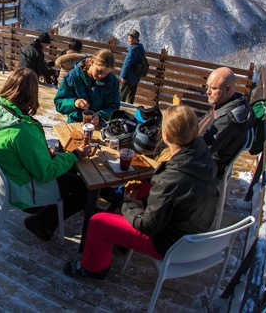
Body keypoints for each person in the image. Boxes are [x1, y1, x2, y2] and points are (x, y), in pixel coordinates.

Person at [62, 105, 219, 279]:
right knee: (143, 187)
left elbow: (148, 226)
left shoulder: (173, 177)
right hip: (192, 232)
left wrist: (128, 203)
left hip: (170, 244)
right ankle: (122, 241)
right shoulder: (202, 157)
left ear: (165, 135)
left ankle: (93, 268)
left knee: (98, 222)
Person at [0, 68, 93, 240]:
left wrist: (40, 150)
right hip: (23, 192)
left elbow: (16, 147)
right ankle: (41, 222)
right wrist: (76, 154)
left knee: (67, 166)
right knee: (83, 188)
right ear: (32, 93)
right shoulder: (22, 131)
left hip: (8, 177)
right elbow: (46, 173)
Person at [199, 67, 253, 176]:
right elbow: (204, 123)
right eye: (208, 86)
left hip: (208, 168)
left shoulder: (227, 120)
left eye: (213, 88)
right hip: (206, 157)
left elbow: (201, 151)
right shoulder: (229, 103)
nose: (208, 91)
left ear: (227, 89)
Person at [54, 49, 120, 126]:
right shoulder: (73, 77)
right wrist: (74, 103)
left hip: (99, 124)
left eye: (105, 73)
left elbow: (114, 106)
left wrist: (100, 115)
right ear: (92, 62)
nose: (101, 76)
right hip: (76, 123)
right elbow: (59, 103)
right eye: (99, 71)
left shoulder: (111, 81)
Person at [119, 29, 146, 104]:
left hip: (128, 77)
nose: (129, 40)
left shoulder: (133, 50)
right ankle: (130, 108)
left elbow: (127, 64)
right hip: (136, 77)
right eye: (129, 38)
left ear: (135, 39)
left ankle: (118, 109)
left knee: (122, 96)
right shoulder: (140, 48)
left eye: (130, 38)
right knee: (131, 97)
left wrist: (123, 76)